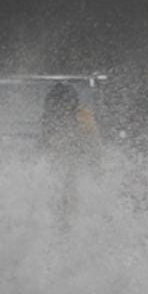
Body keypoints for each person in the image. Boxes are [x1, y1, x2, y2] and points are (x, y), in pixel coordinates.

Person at [40, 83, 102, 227]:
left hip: (77, 169)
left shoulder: (83, 118)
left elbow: (93, 147)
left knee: (71, 202)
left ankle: (68, 226)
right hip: (61, 170)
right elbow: (45, 145)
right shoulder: (49, 118)